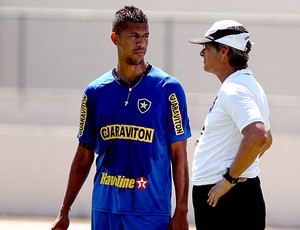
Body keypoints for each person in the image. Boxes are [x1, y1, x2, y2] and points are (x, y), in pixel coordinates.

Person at [52, 5, 191, 230]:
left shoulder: (169, 90)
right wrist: (64, 210)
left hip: (150, 212)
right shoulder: (95, 92)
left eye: (145, 36)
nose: (141, 43)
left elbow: (179, 154)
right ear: (115, 38)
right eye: (133, 36)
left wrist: (182, 210)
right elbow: (83, 155)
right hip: (105, 210)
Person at [188, 20, 273, 230]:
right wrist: (240, 168)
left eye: (206, 47)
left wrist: (228, 179)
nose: (202, 53)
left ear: (224, 50)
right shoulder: (249, 85)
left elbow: (259, 136)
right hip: (234, 195)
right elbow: (267, 140)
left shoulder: (234, 88)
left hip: (225, 199)